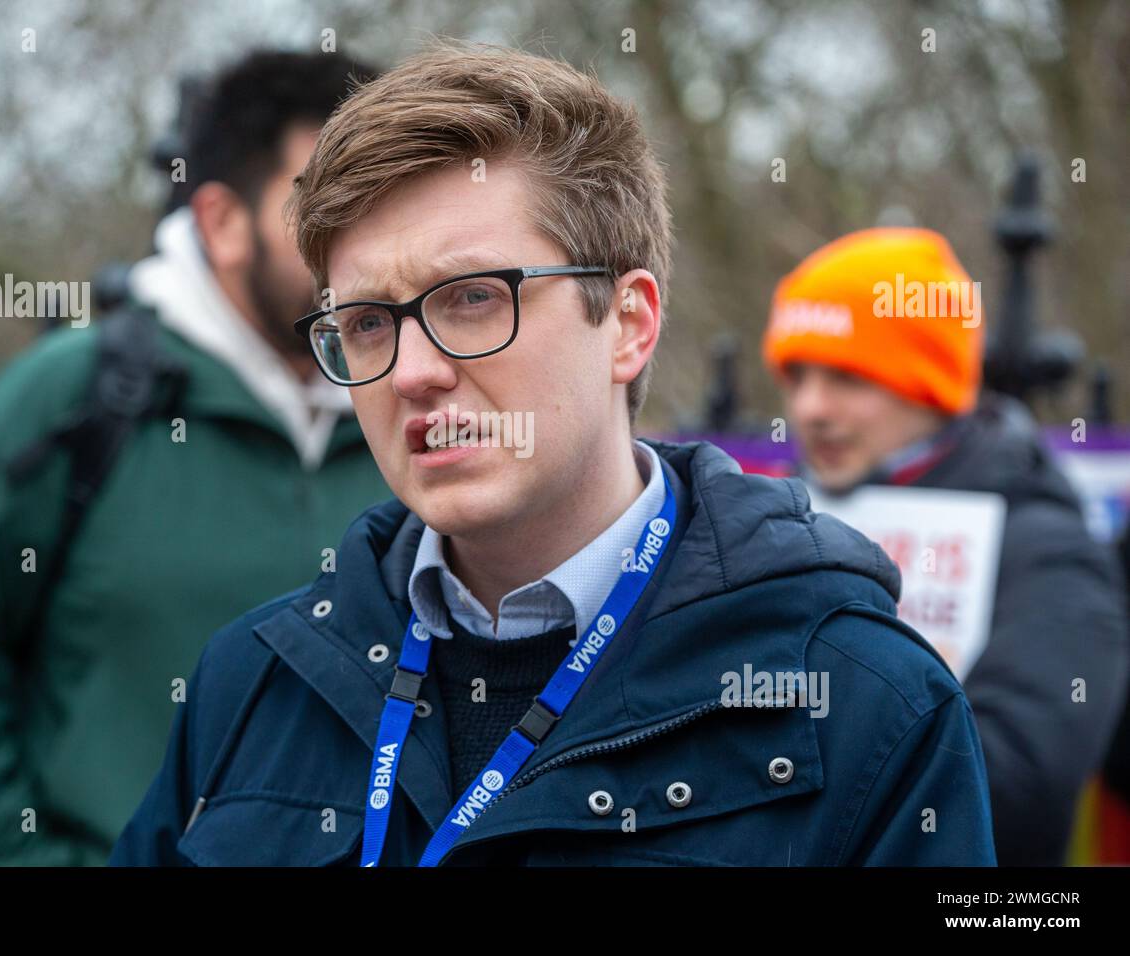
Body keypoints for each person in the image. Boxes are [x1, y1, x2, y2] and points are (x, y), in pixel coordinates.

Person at [111, 40, 995, 867]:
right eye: (369, 322)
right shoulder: (254, 679)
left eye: (471, 300)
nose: (413, 373)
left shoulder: (865, 703)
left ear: (629, 325)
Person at [0, 49, 389, 866]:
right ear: (221, 222)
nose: (358, 237)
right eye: (323, 204)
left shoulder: (416, 401)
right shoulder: (74, 394)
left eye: (380, 202)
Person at [761, 226, 1129, 865]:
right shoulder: (766, 515)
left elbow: (1016, 790)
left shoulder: (1043, 545)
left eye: (849, 377)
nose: (811, 408)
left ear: (926, 384)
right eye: (796, 375)